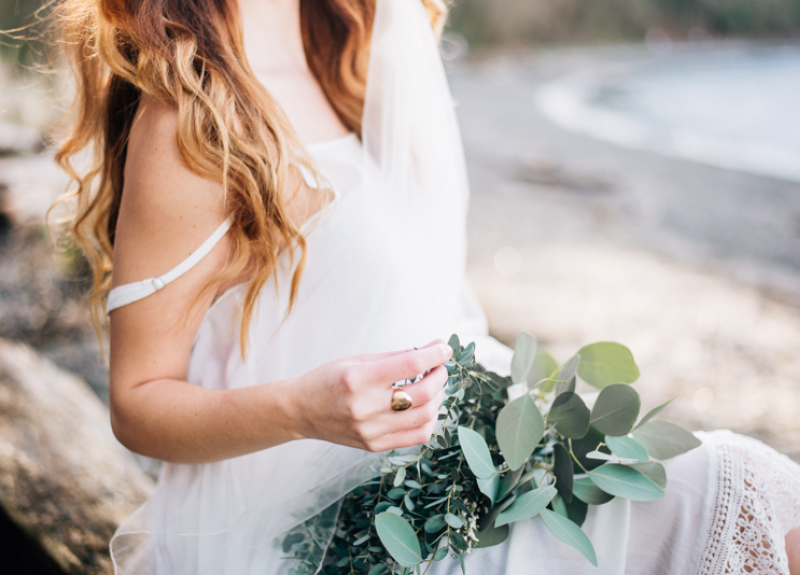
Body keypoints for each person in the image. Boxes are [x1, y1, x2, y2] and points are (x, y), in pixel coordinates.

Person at [51, 0, 800, 573]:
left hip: (454, 474)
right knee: (738, 488)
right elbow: (138, 399)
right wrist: (303, 406)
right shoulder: (189, 119)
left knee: (752, 493)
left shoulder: (341, 54)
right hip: (321, 532)